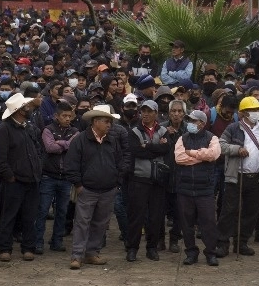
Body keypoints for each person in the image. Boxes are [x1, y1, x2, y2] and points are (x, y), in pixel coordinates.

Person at [64, 104, 130, 270]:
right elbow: (71, 164)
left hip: (108, 189)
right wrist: (78, 185)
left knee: (100, 224)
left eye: (110, 122)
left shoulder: (112, 140)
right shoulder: (80, 140)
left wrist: (117, 182)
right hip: (87, 189)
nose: (109, 125)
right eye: (106, 121)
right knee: (82, 223)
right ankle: (77, 255)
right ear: (95, 122)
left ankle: (92, 253)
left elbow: (120, 162)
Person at [216, 96, 259, 258]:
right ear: (242, 114)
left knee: (251, 211)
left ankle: (241, 243)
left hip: (256, 177)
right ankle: (222, 243)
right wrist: (236, 149)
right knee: (229, 210)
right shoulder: (233, 128)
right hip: (236, 176)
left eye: (256, 110)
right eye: (251, 110)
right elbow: (220, 145)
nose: (255, 113)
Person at [0, 92, 42, 261]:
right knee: (9, 215)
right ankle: (4, 248)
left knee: (29, 216)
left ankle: (28, 247)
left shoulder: (27, 127)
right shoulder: (4, 129)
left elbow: (35, 151)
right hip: (14, 181)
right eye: (26, 106)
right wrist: (10, 177)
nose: (29, 108)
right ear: (20, 110)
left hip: (31, 180)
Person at [173, 109, 220, 266]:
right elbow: (179, 158)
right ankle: (191, 252)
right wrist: (202, 156)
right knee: (186, 224)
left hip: (205, 188)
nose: (190, 123)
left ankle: (210, 253)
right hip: (184, 188)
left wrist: (191, 153)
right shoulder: (182, 138)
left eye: (193, 121)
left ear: (202, 123)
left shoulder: (212, 137)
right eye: (189, 120)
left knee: (208, 223)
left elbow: (213, 154)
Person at [126, 98, 170, 262]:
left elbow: (166, 149)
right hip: (139, 179)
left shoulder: (163, 130)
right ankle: (132, 249)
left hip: (158, 181)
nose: (145, 114)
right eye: (143, 111)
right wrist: (156, 148)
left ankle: (151, 248)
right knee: (136, 216)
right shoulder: (134, 131)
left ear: (156, 113)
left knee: (155, 217)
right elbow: (136, 151)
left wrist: (148, 146)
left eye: (149, 111)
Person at [37, 100, 78, 254]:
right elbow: (50, 147)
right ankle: (38, 242)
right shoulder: (48, 129)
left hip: (66, 177)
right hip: (49, 176)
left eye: (70, 116)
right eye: (64, 115)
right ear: (56, 116)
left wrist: (59, 143)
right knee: (42, 210)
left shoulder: (75, 131)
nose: (67, 118)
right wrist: (66, 143)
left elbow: (74, 148)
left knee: (62, 211)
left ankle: (57, 241)